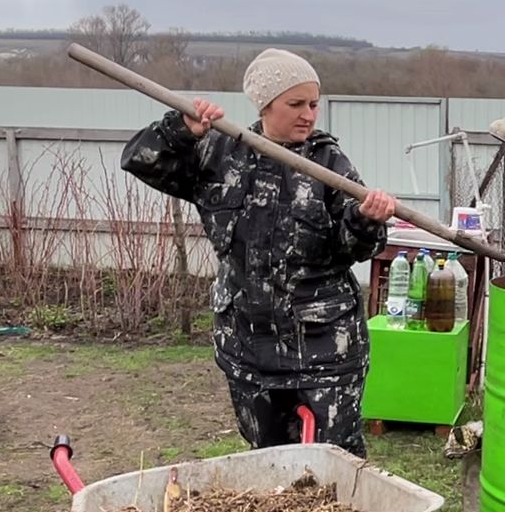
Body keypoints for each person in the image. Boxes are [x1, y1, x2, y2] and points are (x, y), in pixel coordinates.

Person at [121, 48, 396, 457]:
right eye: (296, 104)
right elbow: (140, 161)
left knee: (333, 465)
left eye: (314, 104)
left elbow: (354, 249)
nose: (308, 114)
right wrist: (181, 131)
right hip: (248, 349)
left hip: (324, 352)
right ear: (266, 105)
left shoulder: (329, 162)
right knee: (267, 465)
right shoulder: (220, 155)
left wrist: (366, 220)